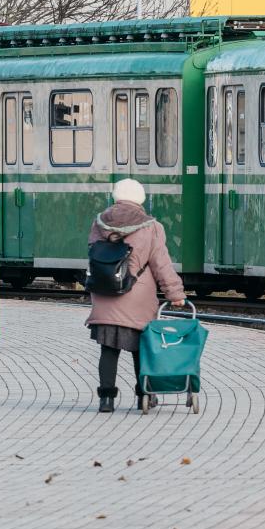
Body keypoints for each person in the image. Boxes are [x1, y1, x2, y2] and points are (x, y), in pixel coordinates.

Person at [86, 177, 186, 413]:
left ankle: (106, 400)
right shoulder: (151, 226)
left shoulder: (99, 223)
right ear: (140, 199)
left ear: (116, 196)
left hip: (105, 293)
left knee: (108, 349)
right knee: (141, 349)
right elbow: (161, 264)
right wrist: (175, 293)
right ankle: (145, 395)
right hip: (137, 297)